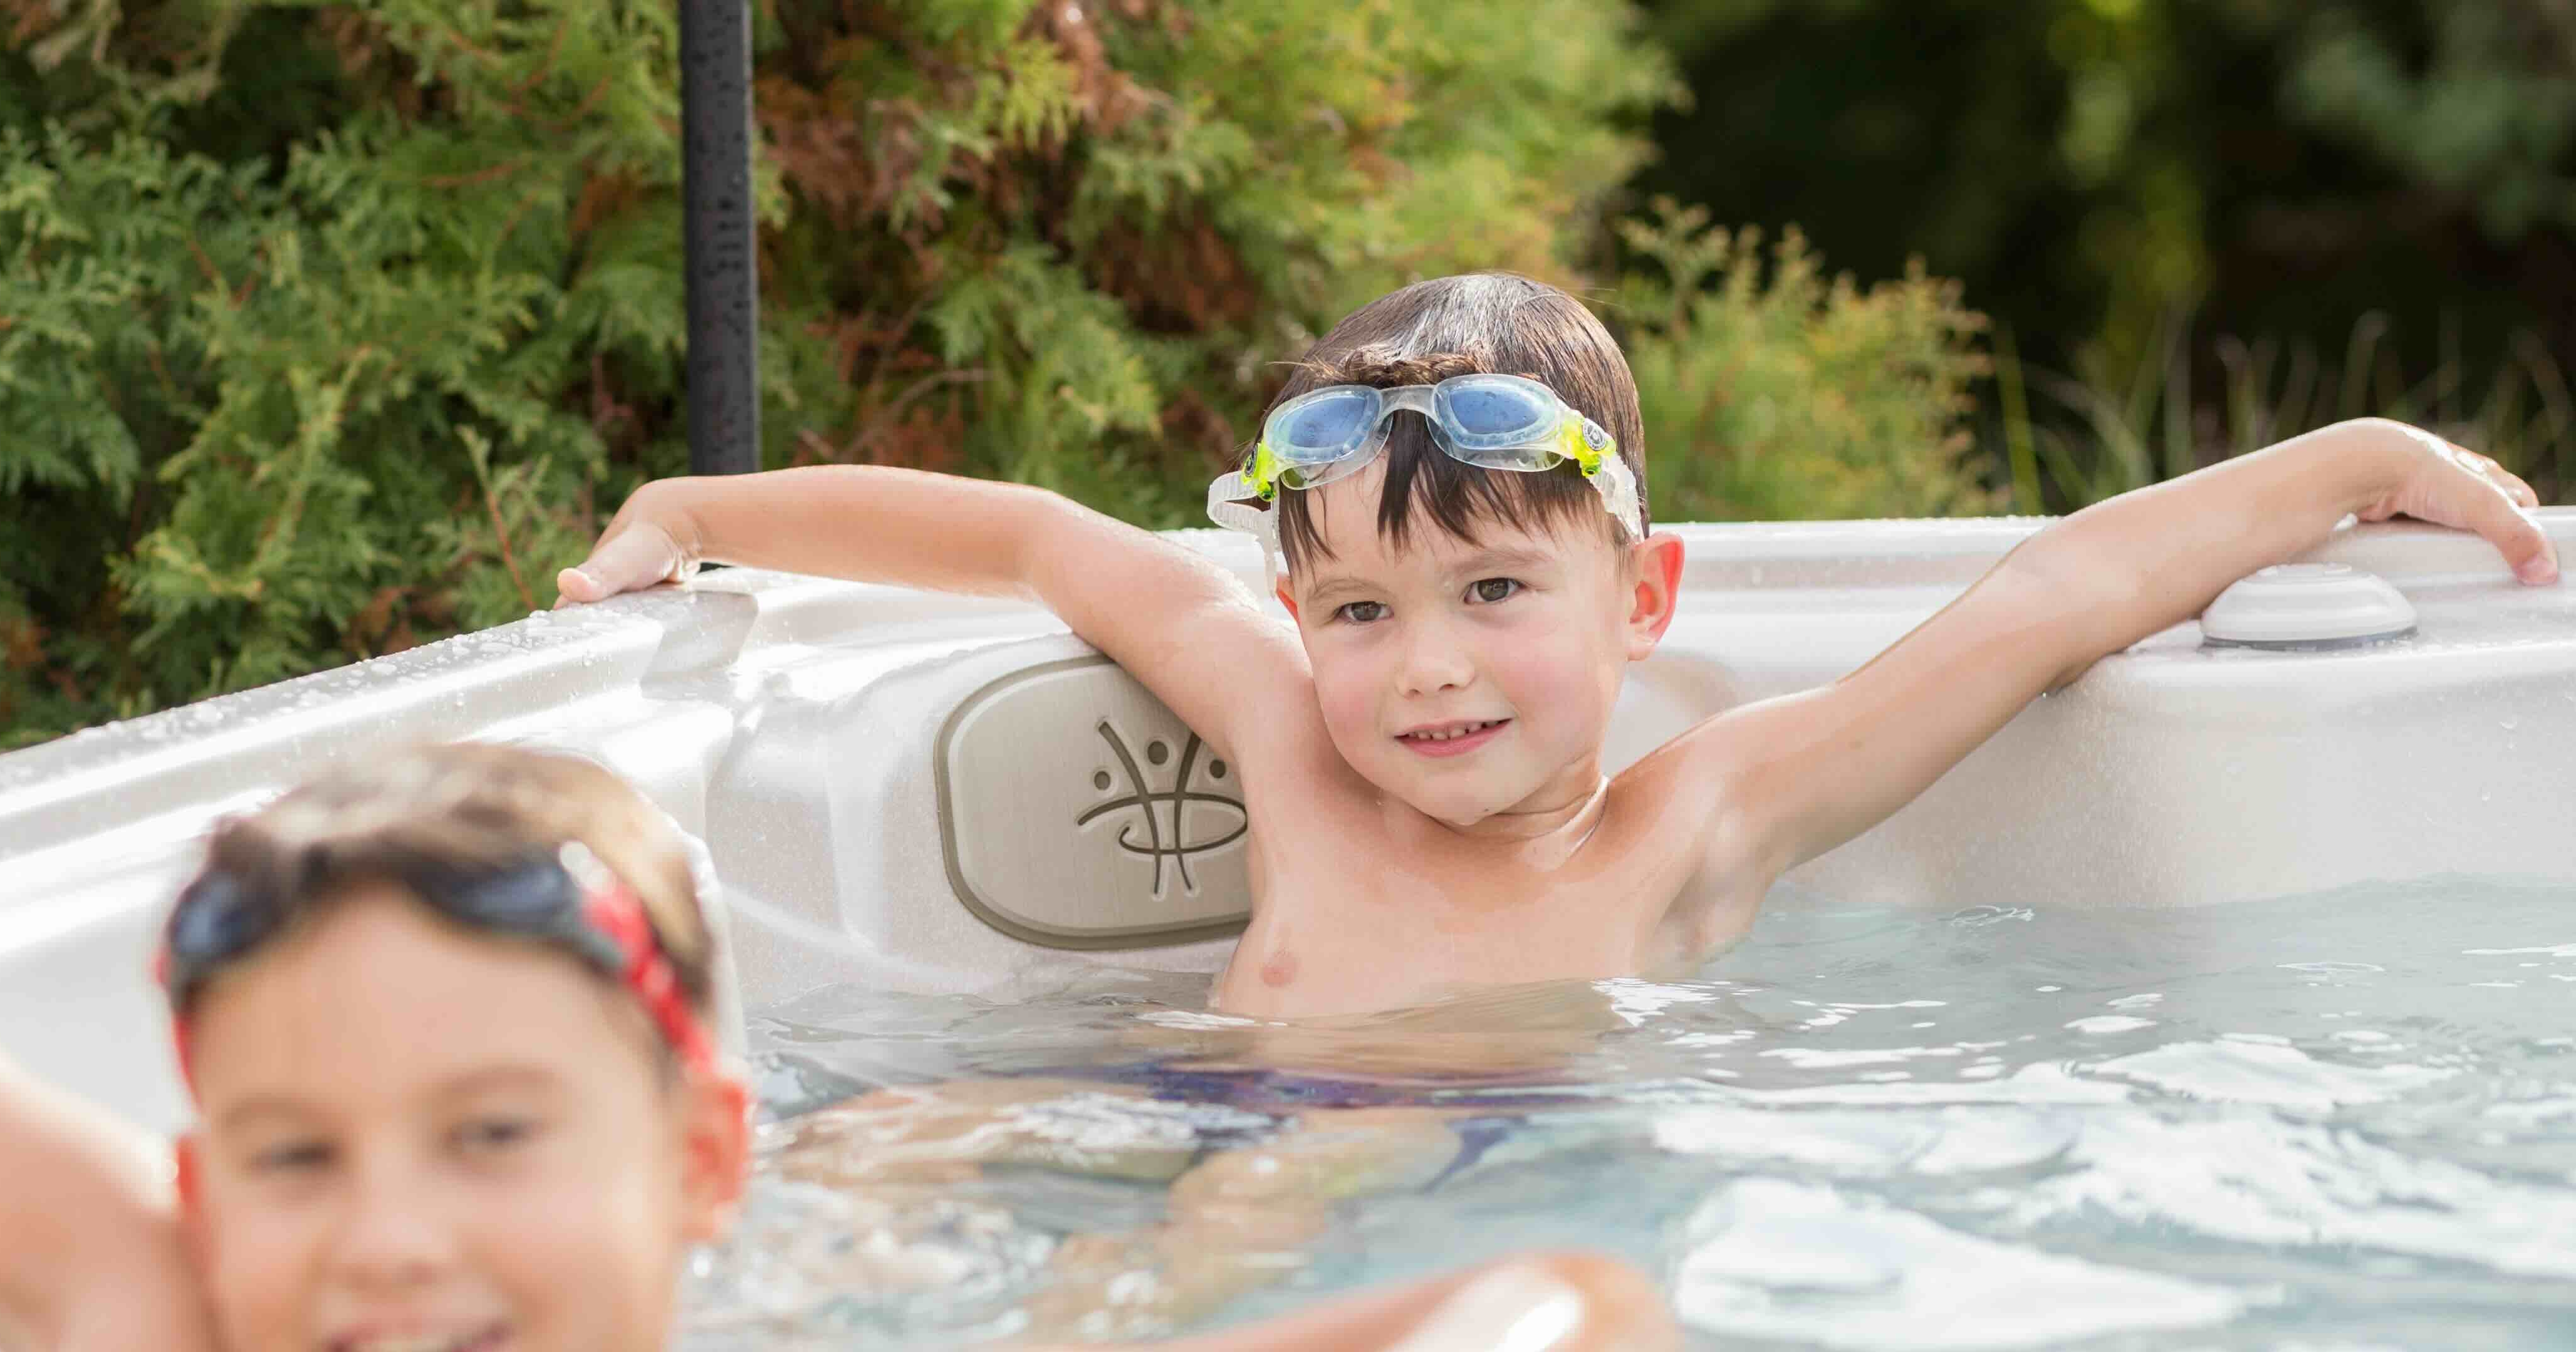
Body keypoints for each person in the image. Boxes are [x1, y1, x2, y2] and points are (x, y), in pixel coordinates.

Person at [0, 688, 1680, 1352]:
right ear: (205, 1178)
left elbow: (1582, 1294)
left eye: (492, 1135)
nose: (385, 1236)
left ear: (704, 1162)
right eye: (293, 1158)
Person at [555, 271, 2557, 1021]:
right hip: (1194, 1147)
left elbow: (2037, 608)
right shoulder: (1285, 739)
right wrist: (703, 518)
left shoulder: (1698, 819)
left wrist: (2356, 461)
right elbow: (1038, 543)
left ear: (1647, 599)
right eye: (1360, 610)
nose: (1423, 667)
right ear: (1297, 617)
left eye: (1495, 593)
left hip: (1527, 1215)